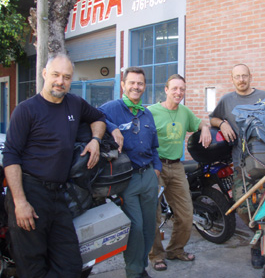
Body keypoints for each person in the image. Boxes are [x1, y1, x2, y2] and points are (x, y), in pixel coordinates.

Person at [2, 53, 106, 278]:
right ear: (44, 74)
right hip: (30, 192)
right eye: (56, 75)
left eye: (66, 77)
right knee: (32, 267)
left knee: (70, 265)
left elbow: (98, 117)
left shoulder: (75, 103)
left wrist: (95, 140)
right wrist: (20, 203)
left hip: (59, 195)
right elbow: (10, 157)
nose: (61, 81)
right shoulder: (26, 109)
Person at [99, 67, 161, 278]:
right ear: (123, 85)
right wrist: (112, 127)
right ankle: (133, 272)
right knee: (135, 228)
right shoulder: (111, 108)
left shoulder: (147, 113)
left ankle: (140, 266)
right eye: (132, 83)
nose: (136, 87)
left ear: (144, 87)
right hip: (127, 180)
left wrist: (157, 170)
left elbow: (154, 147)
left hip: (149, 177)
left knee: (149, 228)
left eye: (140, 83)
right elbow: (91, 117)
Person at [209, 64, 265, 269]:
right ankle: (260, 237)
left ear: (250, 77)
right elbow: (213, 117)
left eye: (244, 75)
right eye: (237, 76)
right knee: (242, 204)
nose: (241, 79)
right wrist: (222, 124)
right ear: (232, 79)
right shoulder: (227, 100)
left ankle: (260, 246)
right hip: (240, 163)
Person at [148, 74, 211, 271]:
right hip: (155, 166)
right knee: (153, 215)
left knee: (186, 213)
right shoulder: (151, 112)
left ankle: (175, 250)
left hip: (176, 166)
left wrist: (206, 128)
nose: (178, 92)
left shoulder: (184, 112)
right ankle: (156, 255)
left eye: (182, 89)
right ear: (166, 90)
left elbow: (198, 123)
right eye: (174, 88)